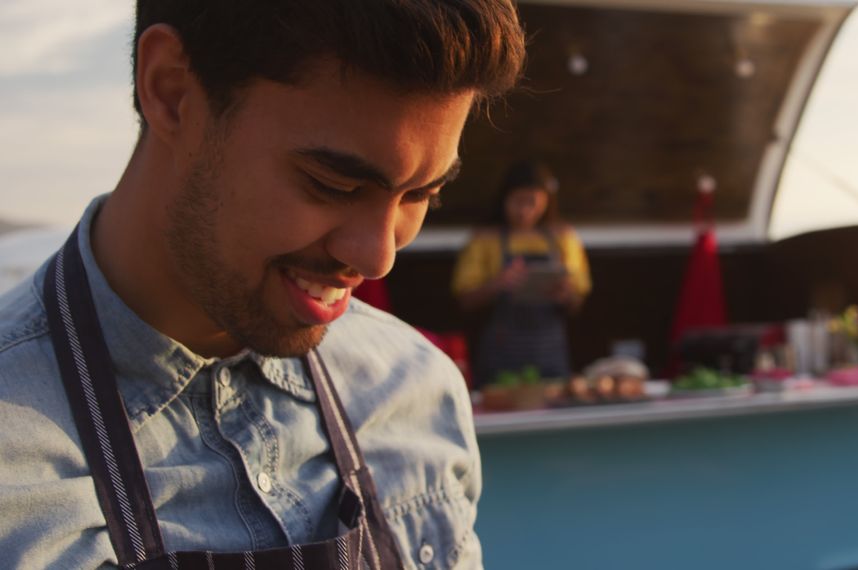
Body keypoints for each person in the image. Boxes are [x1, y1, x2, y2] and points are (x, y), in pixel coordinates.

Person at [0, 1, 525, 568]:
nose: (378, 258)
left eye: (421, 195)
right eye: (333, 184)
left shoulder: (416, 390)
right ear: (171, 90)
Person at [451, 160, 591, 386]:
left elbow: (578, 299)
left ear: (547, 201)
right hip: (502, 352)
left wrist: (566, 294)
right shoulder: (485, 239)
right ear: (504, 198)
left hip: (550, 351)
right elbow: (464, 299)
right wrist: (498, 284)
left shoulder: (564, 237)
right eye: (518, 201)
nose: (525, 210)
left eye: (533, 202)